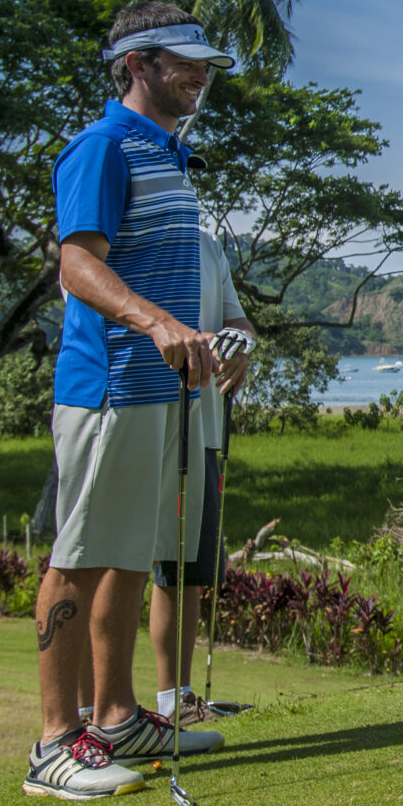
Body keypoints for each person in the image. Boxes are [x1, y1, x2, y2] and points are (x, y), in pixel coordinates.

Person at [24, 3, 245, 799]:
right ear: (139, 63)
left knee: (124, 551)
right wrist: (155, 321)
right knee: (79, 556)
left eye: (206, 63)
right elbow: (78, 265)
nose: (203, 74)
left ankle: (115, 714)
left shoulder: (170, 157)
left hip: (160, 395)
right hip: (109, 386)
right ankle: (53, 742)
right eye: (187, 62)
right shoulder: (102, 146)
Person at [148, 222, 255, 723]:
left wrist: (240, 351)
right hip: (153, 420)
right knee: (150, 565)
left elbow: (239, 323)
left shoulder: (211, 247)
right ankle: (103, 710)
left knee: (189, 568)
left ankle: (179, 698)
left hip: (206, 426)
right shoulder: (141, 235)